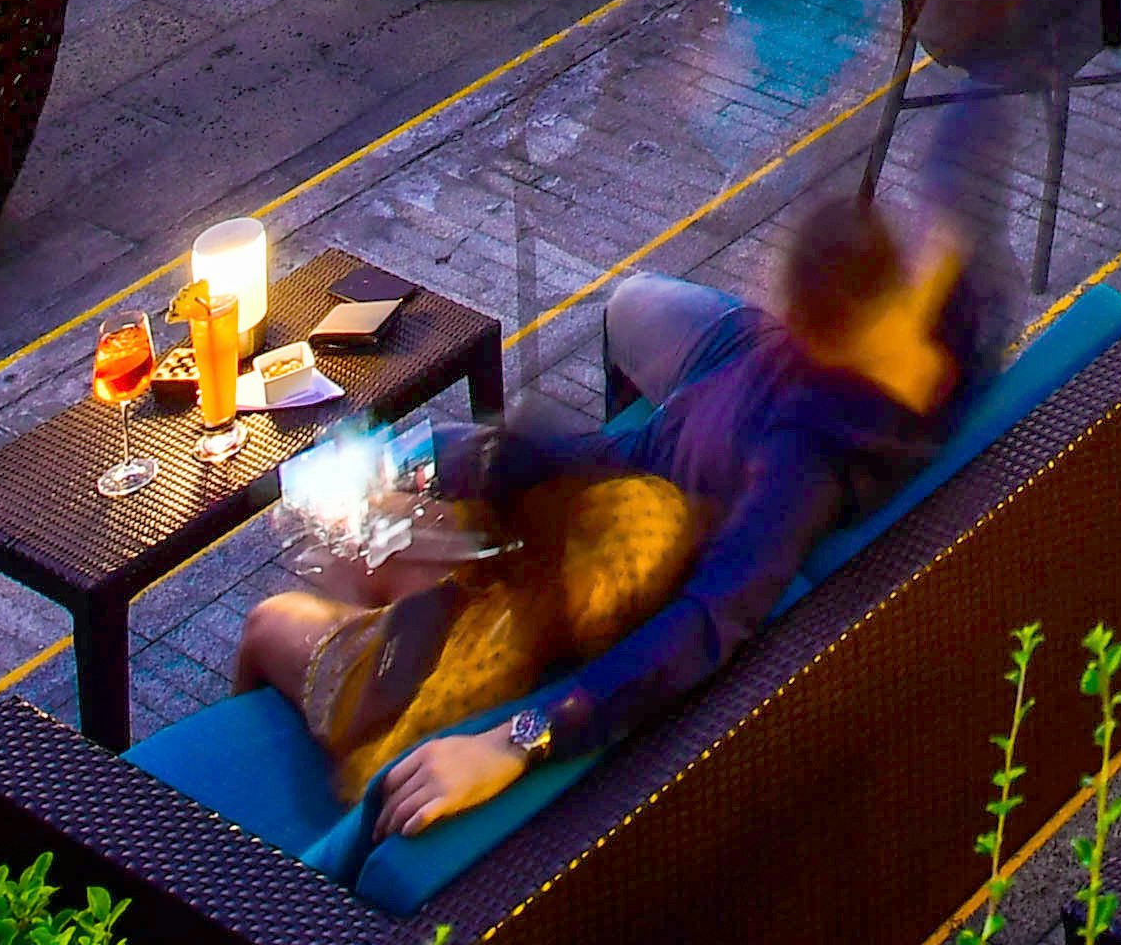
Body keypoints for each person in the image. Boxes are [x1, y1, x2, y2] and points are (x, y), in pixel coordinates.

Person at [238, 173, 1005, 842]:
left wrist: (518, 739)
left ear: (818, 334)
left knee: (424, 472)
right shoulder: (937, 326)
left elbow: (706, 621)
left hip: (650, 461)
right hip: (730, 364)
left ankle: (350, 539)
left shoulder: (797, 466)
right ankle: (400, 512)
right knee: (631, 302)